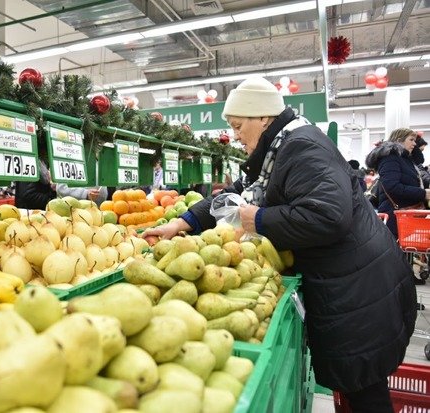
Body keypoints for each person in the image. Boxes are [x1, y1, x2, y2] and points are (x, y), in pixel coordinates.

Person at [142, 77, 416, 412]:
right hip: (353, 281)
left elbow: (328, 216)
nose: (236, 135)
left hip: (359, 289)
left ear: (264, 119)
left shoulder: (302, 147)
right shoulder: (276, 152)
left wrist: (257, 220)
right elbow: (235, 195)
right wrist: (183, 222)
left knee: (366, 395)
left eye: (239, 126)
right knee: (361, 389)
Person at [365, 128, 430, 238]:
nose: (415, 143)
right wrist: (423, 193)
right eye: (411, 140)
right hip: (396, 218)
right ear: (400, 140)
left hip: (406, 217)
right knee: (397, 252)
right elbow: (393, 187)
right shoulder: (390, 158)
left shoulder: (406, 160)